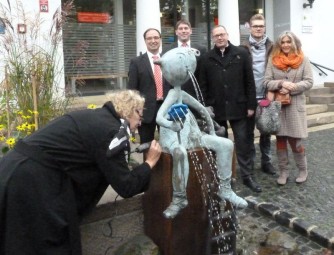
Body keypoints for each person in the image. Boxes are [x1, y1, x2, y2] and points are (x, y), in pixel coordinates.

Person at [0, 90, 162, 254]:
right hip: (29, 180)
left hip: (12, 167)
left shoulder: (97, 118)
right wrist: (149, 162)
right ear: (130, 109)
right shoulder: (112, 131)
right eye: (140, 116)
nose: (140, 123)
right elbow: (126, 186)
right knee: (43, 244)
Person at [155, 47, 247, 219]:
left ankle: (225, 189)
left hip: (192, 134)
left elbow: (201, 109)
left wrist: (211, 130)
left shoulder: (182, 92)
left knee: (226, 144)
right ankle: (179, 198)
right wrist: (171, 125)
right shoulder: (172, 94)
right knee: (180, 152)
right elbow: (159, 118)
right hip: (173, 137)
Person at [199, 25, 262, 193]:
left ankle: (247, 176)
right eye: (216, 35)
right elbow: (202, 86)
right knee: (219, 144)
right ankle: (221, 176)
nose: (219, 38)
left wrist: (251, 105)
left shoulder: (241, 54)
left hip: (240, 107)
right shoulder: (206, 58)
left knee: (243, 143)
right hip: (216, 108)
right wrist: (205, 107)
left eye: (222, 34)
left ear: (227, 35)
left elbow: (250, 81)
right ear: (212, 38)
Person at [263, 31, 313, 185]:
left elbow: (309, 81)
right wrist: (280, 84)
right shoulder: (273, 59)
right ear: (279, 44)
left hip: (295, 107)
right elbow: (266, 82)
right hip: (278, 108)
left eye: (288, 42)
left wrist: (293, 87)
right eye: (282, 42)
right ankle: (283, 172)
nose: (285, 45)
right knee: (280, 141)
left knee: (296, 142)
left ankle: (302, 169)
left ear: (294, 43)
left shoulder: (303, 59)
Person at [241, 14, 276, 175]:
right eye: (255, 26)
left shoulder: (273, 47)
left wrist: (273, 91)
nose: (258, 29)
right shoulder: (242, 47)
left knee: (266, 132)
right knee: (248, 133)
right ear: (250, 27)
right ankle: (251, 163)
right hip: (249, 98)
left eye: (261, 26)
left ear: (265, 27)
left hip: (267, 95)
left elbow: (278, 70)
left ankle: (266, 162)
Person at [128, 28, 171, 144]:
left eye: (156, 37)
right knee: (146, 147)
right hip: (146, 113)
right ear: (145, 41)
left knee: (169, 145)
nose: (153, 40)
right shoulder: (136, 62)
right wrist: (135, 112)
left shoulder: (168, 59)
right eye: (149, 38)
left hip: (167, 110)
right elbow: (132, 90)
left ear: (160, 40)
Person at [163, 19, 207, 101]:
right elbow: (165, 75)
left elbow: (203, 75)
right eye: (180, 29)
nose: (183, 31)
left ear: (190, 31)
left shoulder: (201, 50)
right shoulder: (167, 50)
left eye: (186, 28)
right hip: (174, 95)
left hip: (195, 95)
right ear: (176, 32)